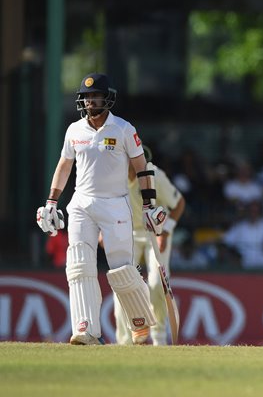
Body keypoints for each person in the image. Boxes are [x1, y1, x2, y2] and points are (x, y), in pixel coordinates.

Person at [35, 73, 167, 345]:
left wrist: (148, 205)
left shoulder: (123, 129)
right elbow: (64, 167)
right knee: (79, 265)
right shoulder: (74, 130)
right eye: (86, 97)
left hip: (115, 204)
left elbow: (142, 167)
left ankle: (139, 322)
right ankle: (86, 329)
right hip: (81, 204)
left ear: (107, 98)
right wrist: (51, 201)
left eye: (95, 96)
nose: (90, 101)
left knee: (121, 268)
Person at [113, 145, 185, 345]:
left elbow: (178, 204)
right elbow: (105, 205)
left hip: (156, 233)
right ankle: (124, 341)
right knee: (124, 285)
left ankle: (159, 337)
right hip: (127, 234)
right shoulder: (113, 177)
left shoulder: (154, 175)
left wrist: (167, 231)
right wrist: (104, 232)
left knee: (156, 283)